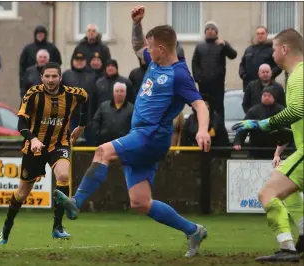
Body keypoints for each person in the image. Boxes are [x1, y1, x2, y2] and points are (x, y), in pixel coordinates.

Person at [53, 6, 212, 258]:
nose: (147, 51)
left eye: (152, 46)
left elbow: (200, 104)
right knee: (140, 202)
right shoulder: (154, 61)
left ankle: (76, 202)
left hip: (151, 135)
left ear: (162, 48)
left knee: (102, 151)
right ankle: (193, 231)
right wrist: (137, 24)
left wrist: (203, 129)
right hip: (142, 135)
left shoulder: (179, 74)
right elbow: (138, 46)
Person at [232, 28, 304, 262]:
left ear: (284, 49)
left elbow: (297, 111)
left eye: (273, 49)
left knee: (268, 193)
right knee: (287, 193)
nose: (271, 55)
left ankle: (289, 248)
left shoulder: (298, 75)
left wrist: (260, 124)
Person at [0, 62, 88, 244]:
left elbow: (86, 99)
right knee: (22, 193)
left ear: (60, 78)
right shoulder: (33, 95)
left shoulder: (73, 94)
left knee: (63, 175)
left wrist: (82, 126)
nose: (51, 80)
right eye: (47, 76)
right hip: (35, 147)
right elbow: (21, 123)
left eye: (54, 76)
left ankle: (57, 227)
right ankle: (6, 227)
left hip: (59, 143)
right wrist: (33, 139)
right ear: (42, 78)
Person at [191, 21, 238, 118]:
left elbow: (233, 55)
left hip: (218, 83)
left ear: (216, 32)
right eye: (207, 29)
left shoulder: (222, 44)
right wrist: (197, 77)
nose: (210, 31)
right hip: (203, 83)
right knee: (203, 106)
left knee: (218, 107)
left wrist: (225, 45)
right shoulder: (200, 46)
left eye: (212, 29)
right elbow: (195, 62)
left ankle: (219, 129)